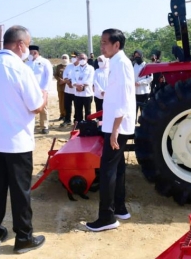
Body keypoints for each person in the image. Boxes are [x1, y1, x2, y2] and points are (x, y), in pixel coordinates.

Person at [0, 25, 47, 253]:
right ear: (20, 45)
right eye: (27, 44)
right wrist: (44, 96)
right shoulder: (20, 68)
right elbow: (36, 106)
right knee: (20, 191)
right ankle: (24, 237)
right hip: (16, 141)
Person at [86, 28, 136, 232]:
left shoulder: (121, 64)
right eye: (101, 42)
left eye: (105, 42)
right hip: (114, 124)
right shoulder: (115, 62)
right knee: (118, 168)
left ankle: (106, 217)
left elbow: (123, 99)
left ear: (117, 45)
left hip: (118, 126)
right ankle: (119, 208)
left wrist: (114, 129)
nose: (102, 46)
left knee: (107, 170)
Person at [26, 45, 52, 134]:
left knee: (43, 108)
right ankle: (30, 126)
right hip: (30, 89)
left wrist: (45, 89)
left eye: (30, 52)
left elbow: (49, 76)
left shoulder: (44, 62)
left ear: (35, 52)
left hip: (42, 89)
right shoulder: (27, 63)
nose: (29, 54)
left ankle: (44, 126)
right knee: (29, 107)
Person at [71, 52, 94, 122]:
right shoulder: (75, 68)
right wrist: (76, 85)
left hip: (87, 93)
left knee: (88, 110)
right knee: (78, 110)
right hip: (77, 93)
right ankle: (79, 124)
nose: (82, 60)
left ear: (87, 59)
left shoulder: (91, 68)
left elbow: (90, 79)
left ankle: (87, 125)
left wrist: (83, 86)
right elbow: (73, 78)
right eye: (80, 58)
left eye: (83, 58)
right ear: (78, 59)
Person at [133, 50, 152, 119]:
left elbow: (150, 78)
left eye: (138, 55)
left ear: (141, 56)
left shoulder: (146, 65)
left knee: (143, 109)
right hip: (135, 91)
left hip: (144, 91)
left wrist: (140, 82)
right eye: (135, 56)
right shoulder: (133, 65)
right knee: (134, 109)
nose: (136, 57)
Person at [60, 54, 78, 127]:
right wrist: (68, 82)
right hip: (68, 90)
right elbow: (65, 76)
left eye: (74, 57)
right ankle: (67, 120)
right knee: (67, 105)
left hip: (77, 91)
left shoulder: (80, 67)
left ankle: (76, 120)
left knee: (77, 106)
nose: (73, 58)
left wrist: (72, 84)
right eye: (72, 57)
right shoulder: (69, 66)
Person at [53, 54, 69, 121]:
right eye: (63, 57)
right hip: (60, 86)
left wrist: (64, 81)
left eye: (65, 58)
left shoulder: (70, 66)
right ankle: (62, 114)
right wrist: (60, 80)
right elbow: (55, 74)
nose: (64, 59)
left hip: (68, 86)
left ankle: (67, 115)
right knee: (61, 101)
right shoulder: (58, 66)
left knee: (67, 101)